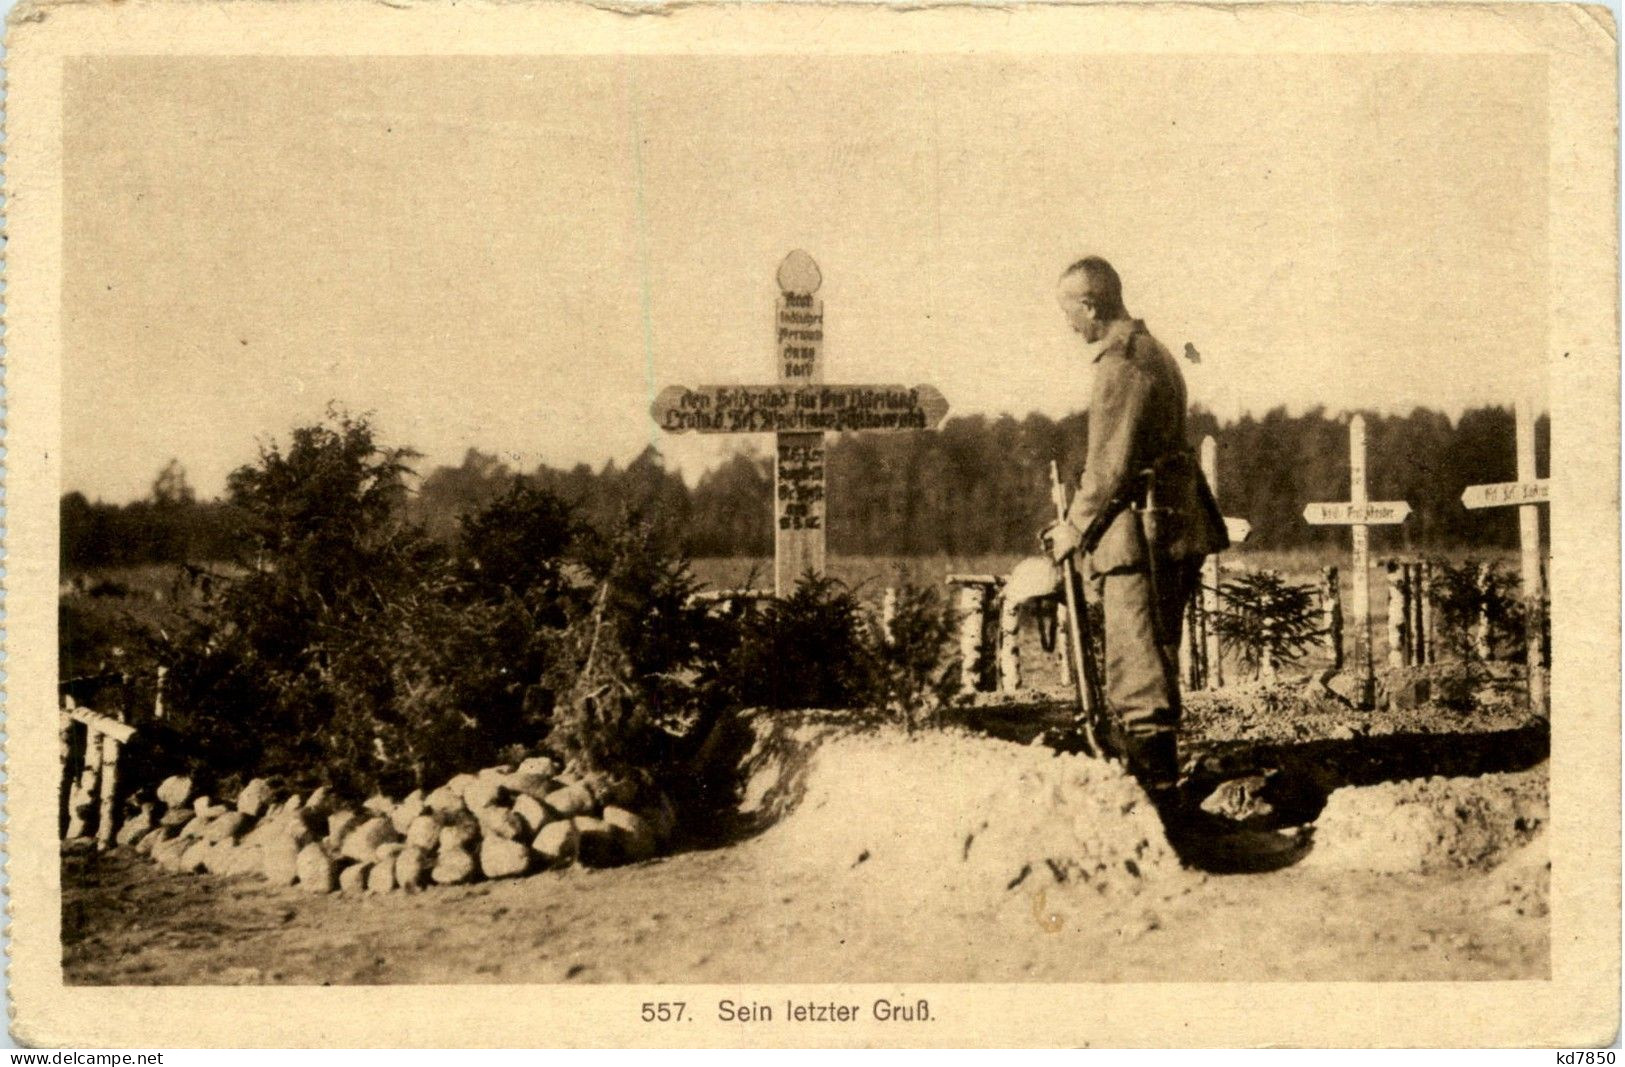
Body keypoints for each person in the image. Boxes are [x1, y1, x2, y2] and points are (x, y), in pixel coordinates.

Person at [1042, 256, 1227, 798]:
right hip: (1169, 526)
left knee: (1137, 656)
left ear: (1091, 305)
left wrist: (1073, 528)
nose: (1069, 325)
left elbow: (1108, 465)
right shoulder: (1155, 352)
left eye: (1069, 312)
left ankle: (1153, 784)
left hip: (1138, 535)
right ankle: (1157, 770)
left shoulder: (1121, 363)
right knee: (1154, 650)